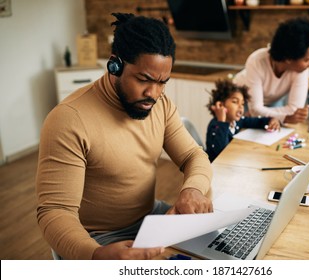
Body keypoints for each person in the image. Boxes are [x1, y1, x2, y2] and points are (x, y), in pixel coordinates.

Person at [35, 13, 213, 260]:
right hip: (96, 238)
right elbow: (55, 211)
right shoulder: (69, 119)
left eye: (163, 82)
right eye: (144, 79)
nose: (154, 93)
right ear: (114, 65)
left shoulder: (160, 105)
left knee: (223, 248)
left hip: (150, 220)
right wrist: (96, 255)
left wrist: (193, 188)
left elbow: (194, 155)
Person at [233, 17, 309, 124]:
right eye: (307, 60)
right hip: (241, 100)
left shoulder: (301, 69)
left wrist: (261, 113)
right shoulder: (256, 61)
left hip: (271, 103)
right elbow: (254, 109)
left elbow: (294, 110)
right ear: (288, 58)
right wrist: (285, 117)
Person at [206, 79, 280, 162]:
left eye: (242, 103)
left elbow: (256, 122)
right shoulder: (215, 126)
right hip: (216, 167)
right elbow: (220, 152)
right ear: (221, 105)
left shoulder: (236, 121)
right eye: (235, 102)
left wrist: (271, 120)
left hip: (230, 162)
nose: (241, 107)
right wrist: (222, 122)